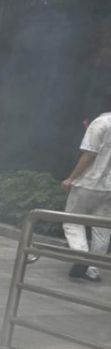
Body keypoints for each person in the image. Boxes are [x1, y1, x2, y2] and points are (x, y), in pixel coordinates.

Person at [62, 107, 111, 282]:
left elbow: (90, 154)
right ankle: (93, 270)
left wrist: (71, 178)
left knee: (72, 221)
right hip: (109, 188)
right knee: (102, 228)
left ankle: (81, 257)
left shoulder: (101, 123)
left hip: (88, 183)